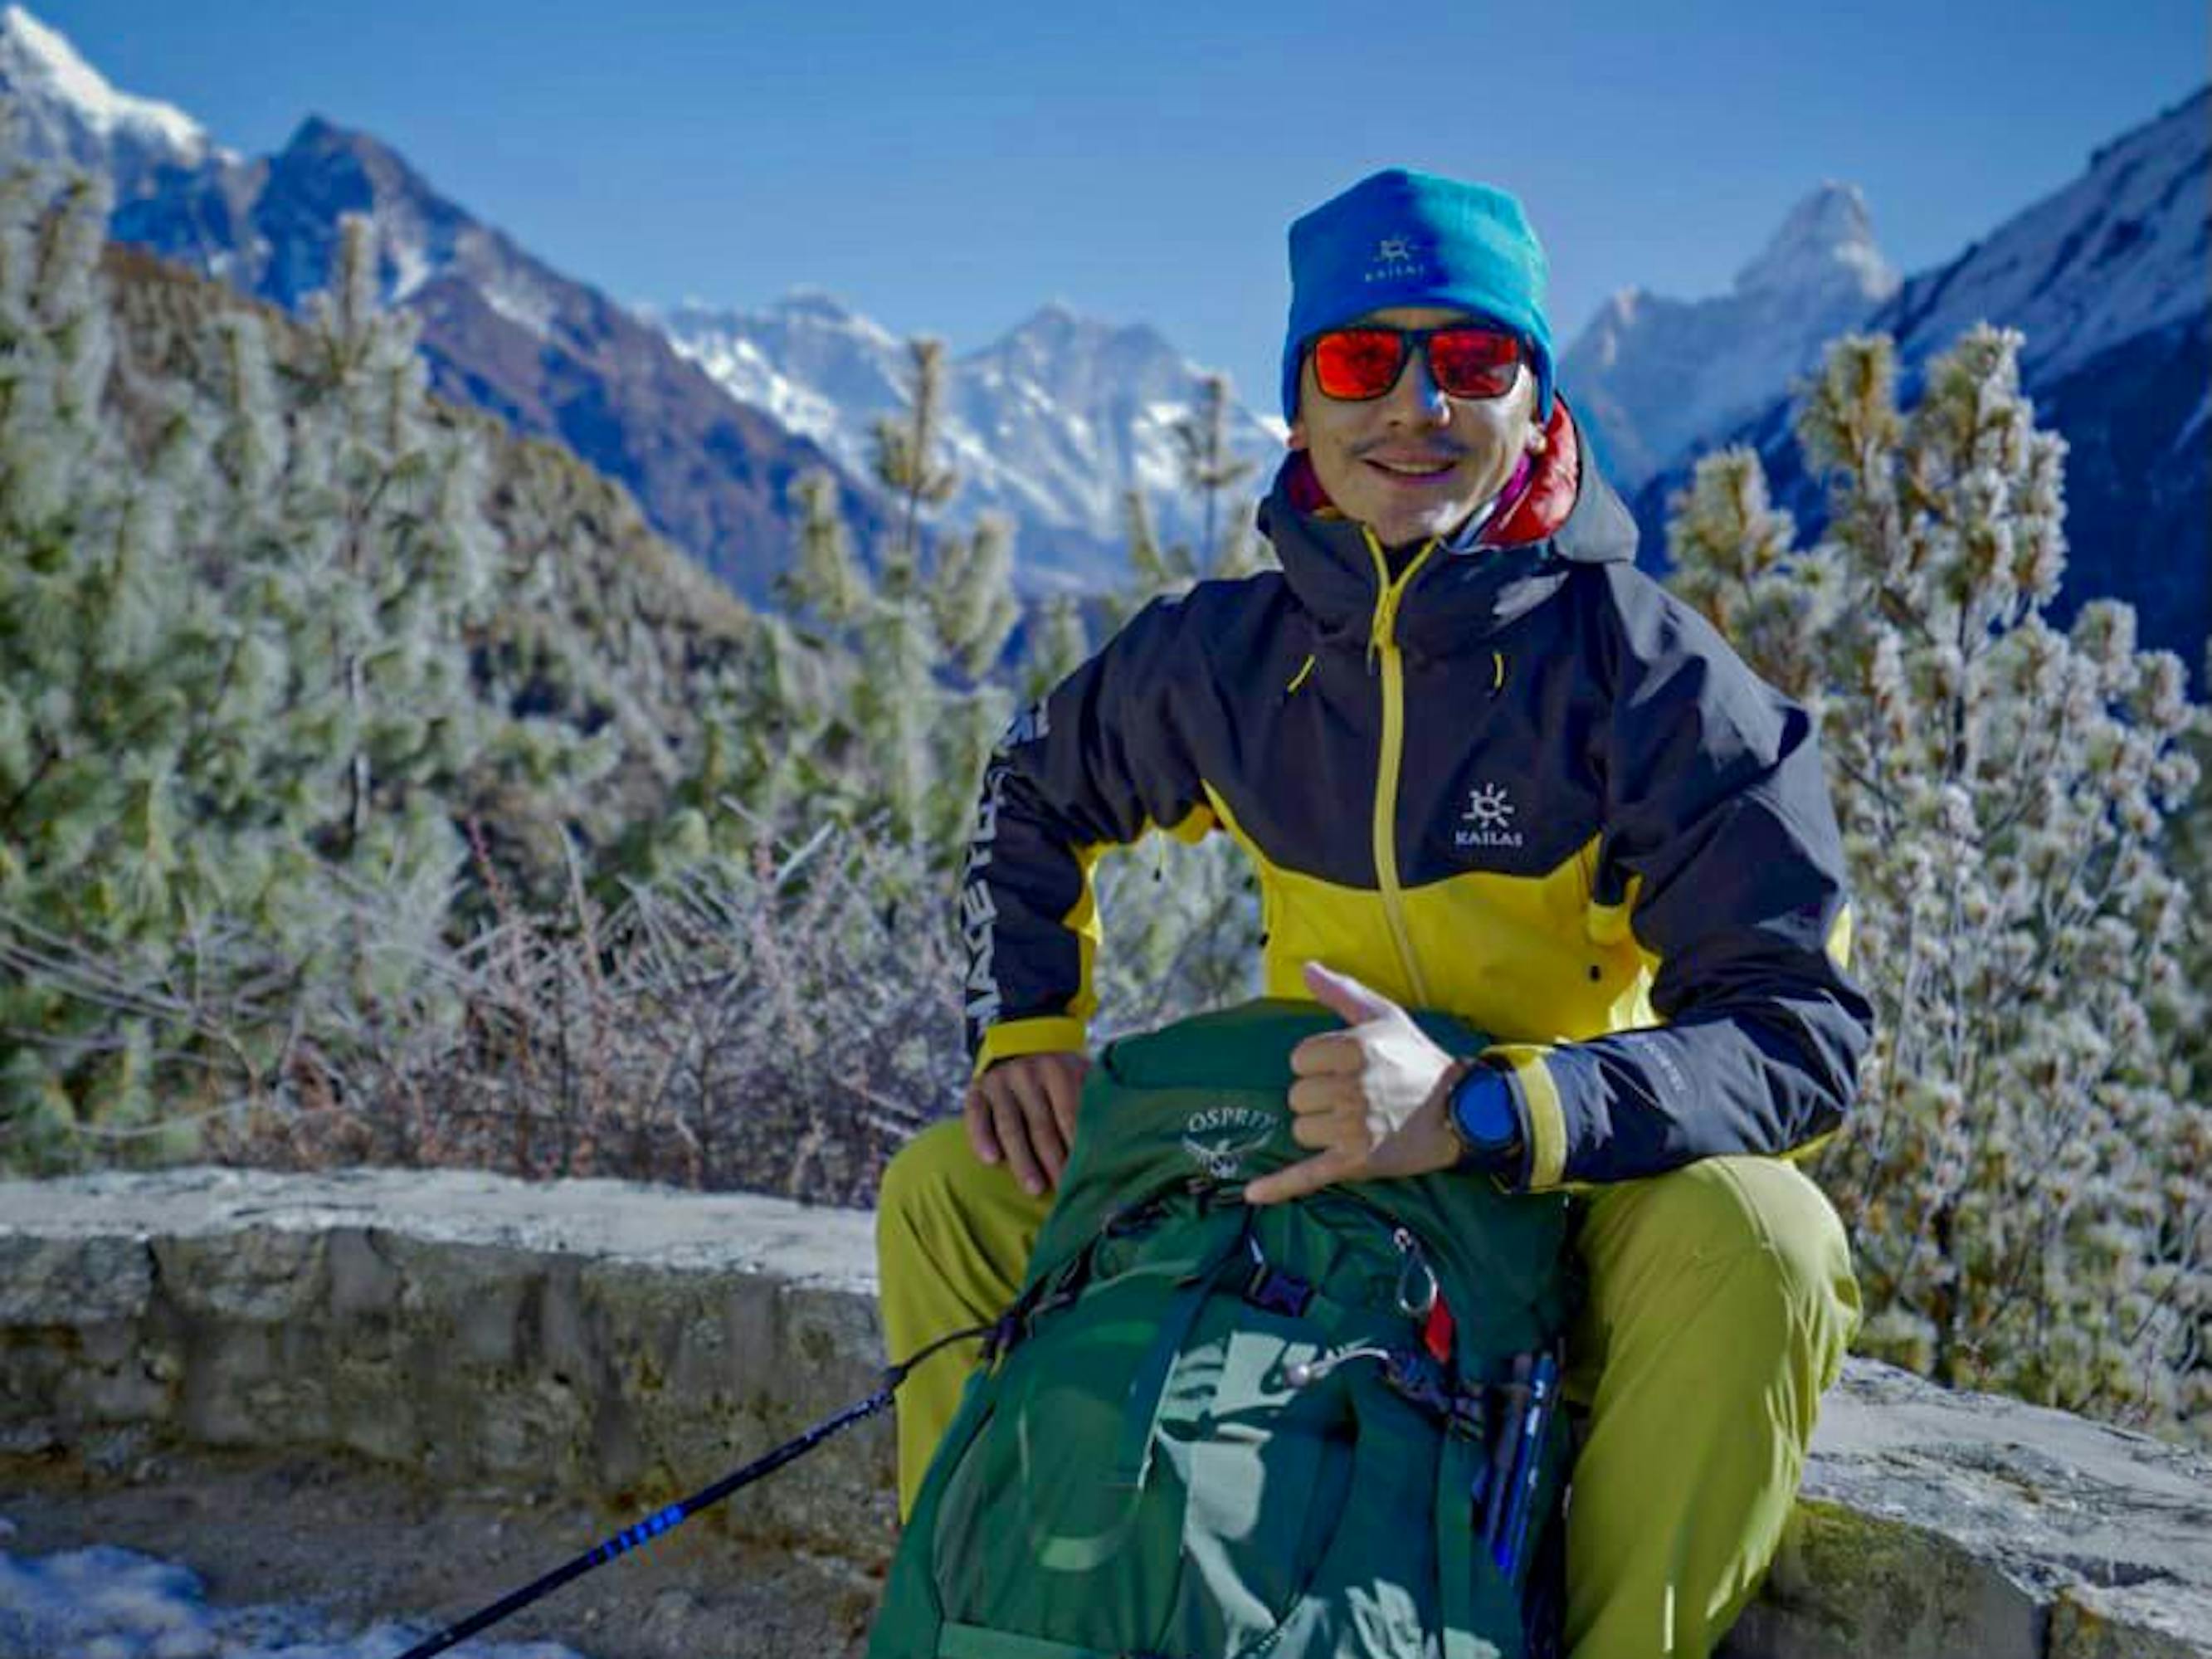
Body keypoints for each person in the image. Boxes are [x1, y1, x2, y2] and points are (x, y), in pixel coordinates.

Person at [878, 167, 1870, 1659]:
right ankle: (1012, 1605)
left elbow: (1799, 1033)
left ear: (1534, 399)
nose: (1414, 403)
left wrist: (1486, 1111)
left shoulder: (1650, 682)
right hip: (1318, 1152)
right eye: (1361, 359)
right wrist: (1026, 1026)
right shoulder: (1229, 656)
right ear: (1300, 408)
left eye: (1470, 359)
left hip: (1562, 1179)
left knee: (1767, 1239)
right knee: (952, 1187)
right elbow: (1032, 789)